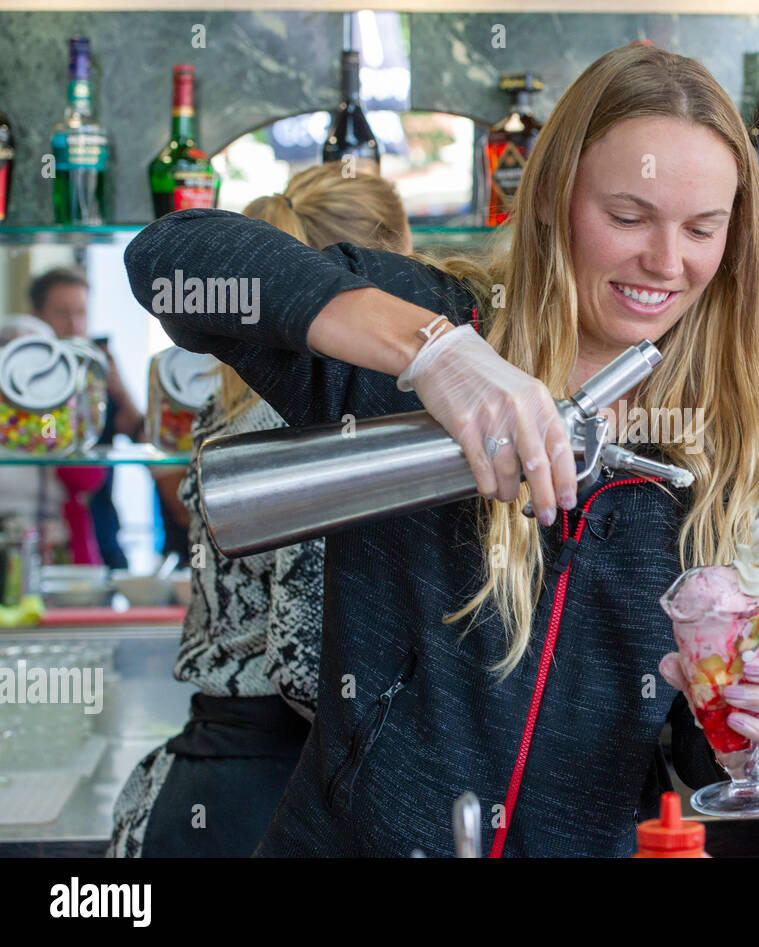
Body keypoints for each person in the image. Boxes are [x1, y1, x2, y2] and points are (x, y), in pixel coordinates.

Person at [122, 43, 759, 857]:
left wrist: (744, 732)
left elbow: (691, 765)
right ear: (550, 200)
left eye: (703, 228)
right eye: (628, 217)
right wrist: (437, 353)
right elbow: (172, 263)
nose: (666, 263)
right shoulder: (429, 328)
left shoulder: (734, 452)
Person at [109, 164, 413, 857]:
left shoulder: (236, 396)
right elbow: (304, 669)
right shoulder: (317, 425)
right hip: (271, 793)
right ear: (382, 270)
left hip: (201, 783)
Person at [27, 266, 185, 568]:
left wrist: (120, 391)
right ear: (37, 317)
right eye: (62, 313)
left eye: (81, 313)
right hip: (40, 540)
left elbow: (150, 450)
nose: (74, 325)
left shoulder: (98, 381)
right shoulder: (20, 390)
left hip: (102, 542)